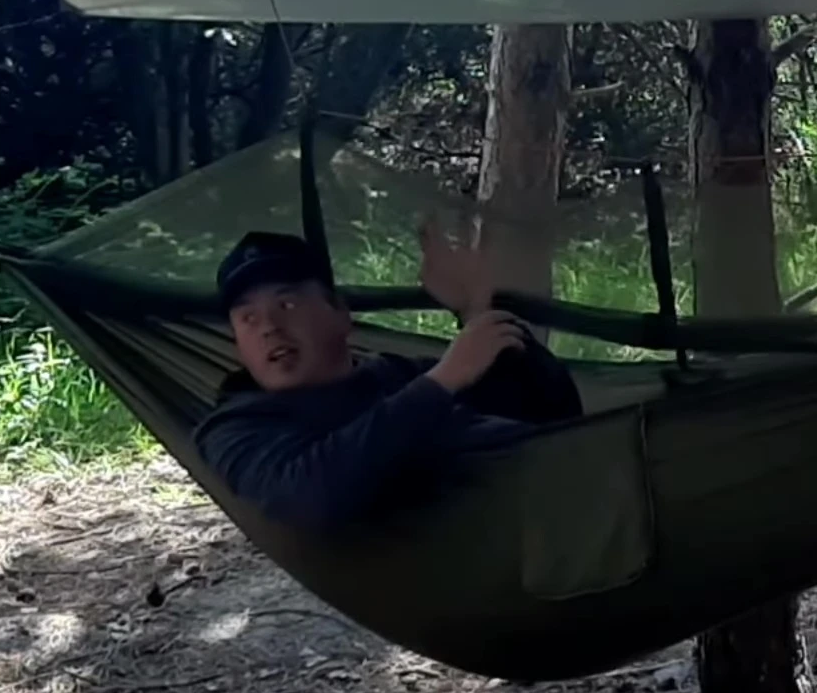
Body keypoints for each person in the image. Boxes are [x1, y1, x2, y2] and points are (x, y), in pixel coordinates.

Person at [192, 221, 585, 531]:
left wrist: (477, 310)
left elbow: (551, 407)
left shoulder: (396, 374)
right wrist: (440, 385)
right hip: (500, 557)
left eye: (287, 304)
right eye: (248, 318)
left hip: (571, 493)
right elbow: (308, 498)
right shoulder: (237, 428)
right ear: (237, 344)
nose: (269, 327)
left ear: (340, 314)